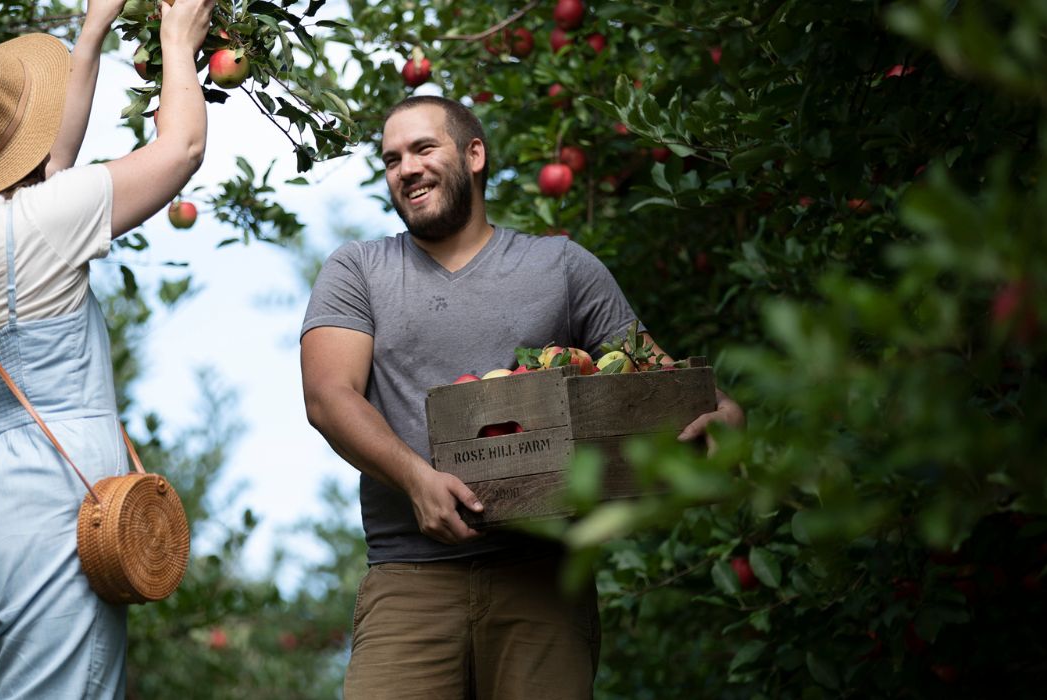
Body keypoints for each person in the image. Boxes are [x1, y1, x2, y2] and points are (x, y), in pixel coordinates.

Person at [300, 95, 745, 698]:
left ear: (474, 154)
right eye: (392, 158)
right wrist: (414, 479)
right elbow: (329, 396)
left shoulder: (560, 266)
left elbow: (651, 375)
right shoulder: (359, 269)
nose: (406, 168)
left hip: (543, 580)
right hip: (408, 578)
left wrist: (721, 409)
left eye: (424, 148)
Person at [0, 0, 214, 696]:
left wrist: (93, 31)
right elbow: (182, 149)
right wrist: (178, 37)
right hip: (36, 513)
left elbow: (48, 167)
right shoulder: (45, 218)